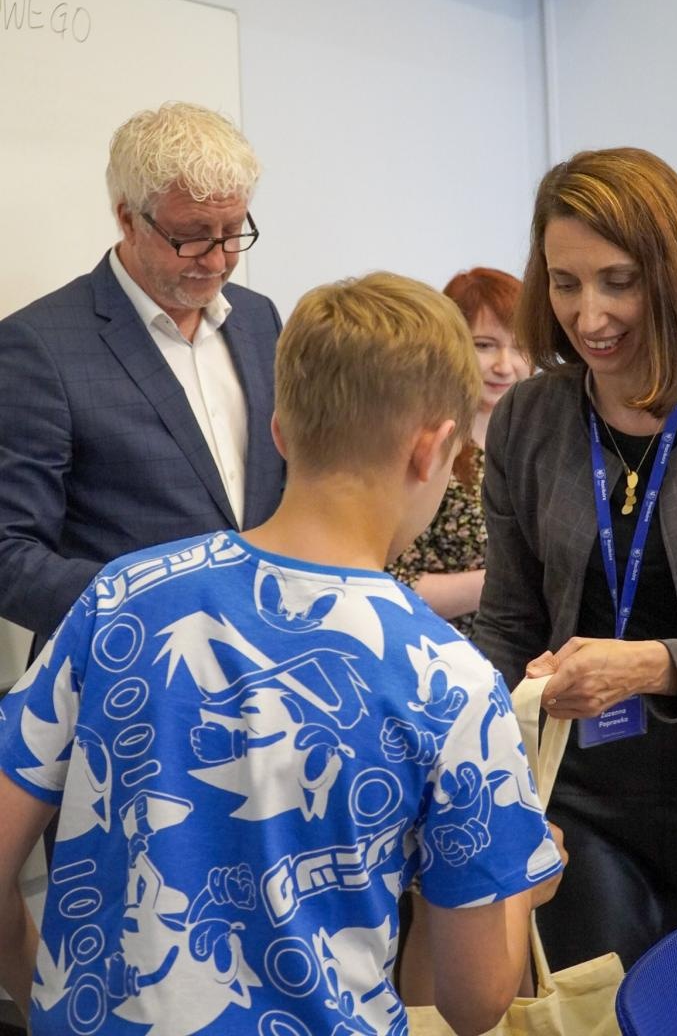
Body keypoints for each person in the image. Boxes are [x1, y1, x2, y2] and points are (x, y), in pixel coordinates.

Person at [0, 271, 564, 1036]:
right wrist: (521, 885)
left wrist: (44, 1000)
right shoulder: (450, 679)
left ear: (279, 431)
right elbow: (469, 1002)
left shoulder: (121, 596)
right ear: (433, 448)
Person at [473, 146, 677, 972]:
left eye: (618, 281)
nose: (588, 317)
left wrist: (650, 666)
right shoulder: (529, 422)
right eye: (565, 281)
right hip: (577, 805)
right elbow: (508, 625)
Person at [0, 102, 284, 655]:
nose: (220, 259)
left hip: (265, 664)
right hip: (121, 672)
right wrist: (160, 605)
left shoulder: (260, 319)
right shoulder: (39, 347)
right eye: (193, 236)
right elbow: (9, 554)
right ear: (127, 217)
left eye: (233, 231)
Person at [390, 267, 530, 637]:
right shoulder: (426, 446)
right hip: (442, 655)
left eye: (519, 346)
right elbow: (393, 583)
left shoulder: (538, 442)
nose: (505, 364)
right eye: (485, 345)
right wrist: (509, 584)